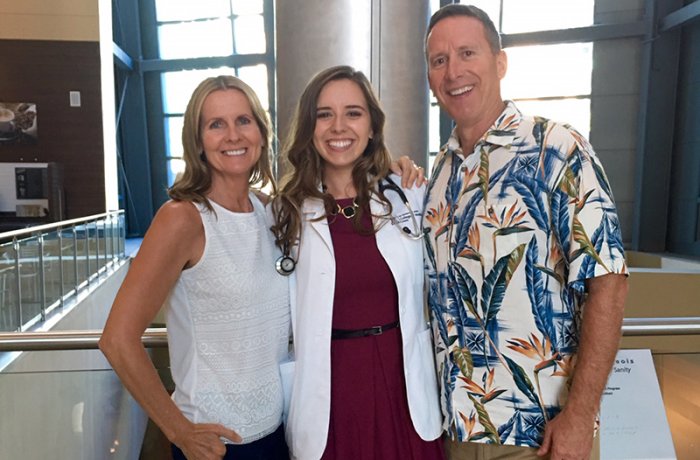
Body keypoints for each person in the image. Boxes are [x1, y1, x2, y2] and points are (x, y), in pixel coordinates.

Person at [422, 5, 628, 460]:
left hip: (539, 436)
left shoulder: (556, 150)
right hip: (454, 431)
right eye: (439, 60)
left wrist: (581, 414)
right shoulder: (438, 176)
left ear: (500, 63)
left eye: (467, 52)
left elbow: (608, 281)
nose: (453, 70)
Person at [99, 75, 291, 460]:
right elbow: (117, 340)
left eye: (243, 120)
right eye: (216, 124)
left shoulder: (271, 211)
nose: (232, 135)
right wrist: (179, 430)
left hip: (277, 431)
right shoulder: (182, 219)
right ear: (198, 141)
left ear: (260, 131)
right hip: (213, 444)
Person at [271, 65, 444, 460]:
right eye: (324, 114)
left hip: (402, 383)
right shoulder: (286, 211)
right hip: (330, 388)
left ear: (371, 126)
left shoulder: (408, 194)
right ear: (309, 127)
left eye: (353, 112)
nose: (339, 127)